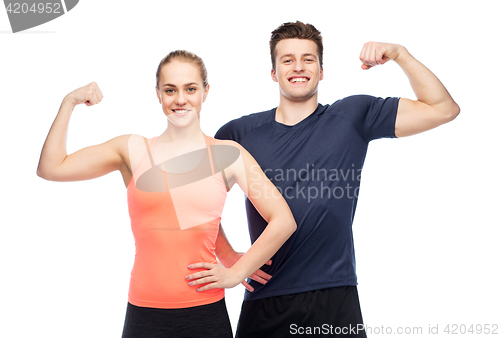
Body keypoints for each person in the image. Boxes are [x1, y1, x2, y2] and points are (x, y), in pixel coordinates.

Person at [190, 22, 460, 337]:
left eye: (308, 58)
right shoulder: (240, 133)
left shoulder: (353, 116)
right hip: (266, 301)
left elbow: (443, 109)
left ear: (321, 69)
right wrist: (228, 255)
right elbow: (197, 202)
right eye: (287, 60)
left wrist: (400, 54)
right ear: (274, 73)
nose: (299, 67)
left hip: (335, 297)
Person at [36, 50, 296, 338]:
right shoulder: (132, 150)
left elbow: (283, 220)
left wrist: (236, 271)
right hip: (143, 315)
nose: (180, 99)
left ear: (205, 92)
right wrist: (68, 102)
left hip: (206, 315)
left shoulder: (228, 156)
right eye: (170, 90)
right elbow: (51, 168)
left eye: (191, 89)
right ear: (158, 94)